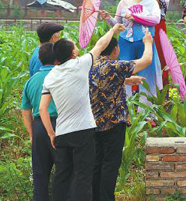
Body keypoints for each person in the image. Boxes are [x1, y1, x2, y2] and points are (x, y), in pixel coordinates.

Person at [39, 24, 125, 201]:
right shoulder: (80, 65)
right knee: (83, 175)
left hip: (62, 132)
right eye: (75, 46)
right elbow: (100, 45)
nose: (78, 48)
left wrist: (51, 134)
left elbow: (42, 109)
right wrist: (113, 30)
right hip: (83, 132)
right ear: (73, 53)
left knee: (62, 175)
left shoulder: (51, 76)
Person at [89, 32, 153, 201]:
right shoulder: (115, 66)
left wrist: (125, 81)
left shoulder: (90, 64)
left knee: (97, 163)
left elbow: (100, 81)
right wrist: (148, 42)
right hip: (113, 123)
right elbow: (146, 60)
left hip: (94, 123)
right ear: (116, 49)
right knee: (110, 165)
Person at [100, 0, 162, 99]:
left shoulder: (152, 3)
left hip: (145, 42)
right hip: (125, 42)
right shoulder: (123, 3)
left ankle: (147, 113)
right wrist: (108, 18)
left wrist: (135, 17)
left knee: (147, 77)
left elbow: (155, 20)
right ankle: (125, 107)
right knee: (124, 74)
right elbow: (118, 24)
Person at [126, 0, 170, 84]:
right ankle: (134, 90)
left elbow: (164, 4)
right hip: (135, 22)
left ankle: (160, 92)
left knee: (160, 56)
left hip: (156, 22)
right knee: (136, 54)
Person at [21, 43, 57, 201]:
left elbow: (25, 109)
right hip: (58, 124)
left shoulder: (31, 81)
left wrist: (31, 133)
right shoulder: (61, 75)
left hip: (38, 126)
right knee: (65, 171)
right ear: (57, 58)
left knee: (40, 174)